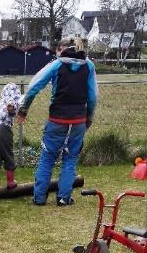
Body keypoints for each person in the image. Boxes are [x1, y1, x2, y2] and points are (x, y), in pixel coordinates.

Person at [17, 38, 98, 206]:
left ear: (63, 49)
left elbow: (34, 87)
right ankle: (63, 198)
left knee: (47, 158)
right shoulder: (88, 66)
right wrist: (88, 118)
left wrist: (24, 110)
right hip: (78, 121)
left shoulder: (57, 64)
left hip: (57, 120)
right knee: (70, 158)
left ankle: (39, 198)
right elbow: (93, 97)